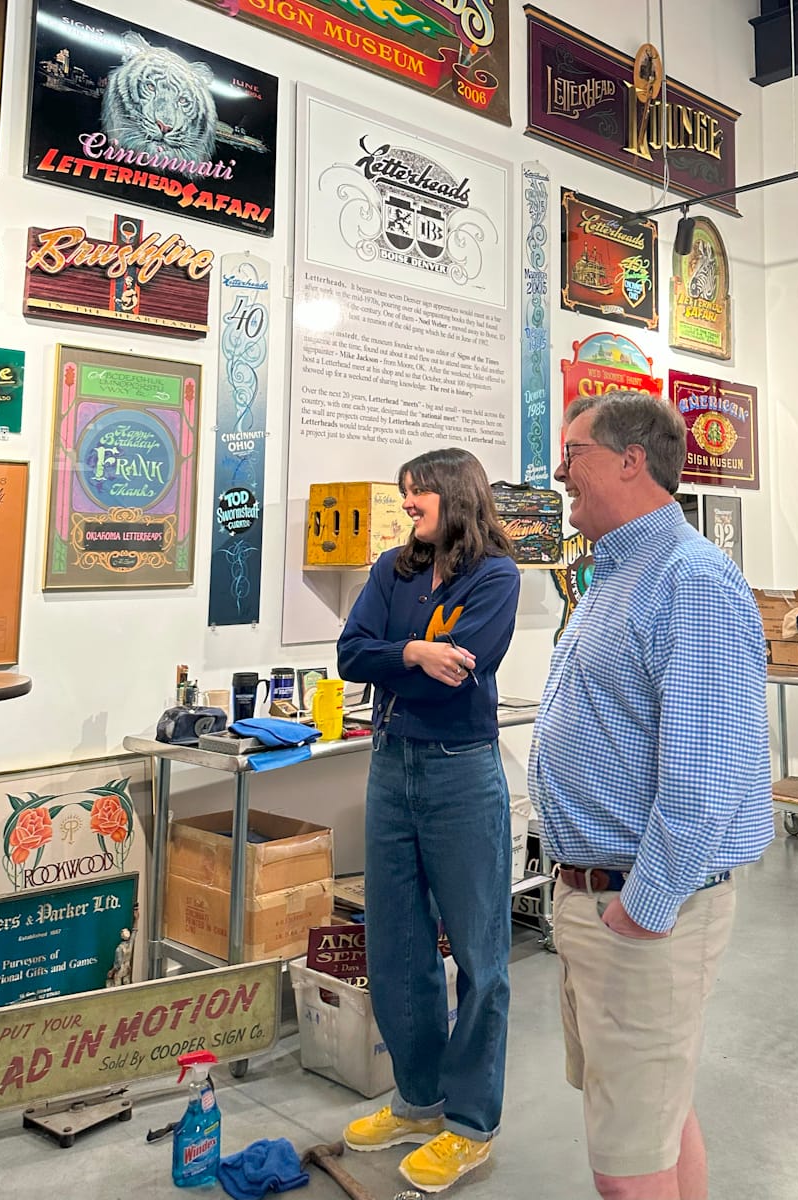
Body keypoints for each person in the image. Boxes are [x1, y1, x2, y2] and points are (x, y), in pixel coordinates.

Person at [528, 391, 773, 1200]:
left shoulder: (691, 579)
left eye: (575, 454)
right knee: (657, 1115)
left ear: (632, 460)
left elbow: (705, 777)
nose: (560, 473)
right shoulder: (616, 571)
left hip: (637, 915)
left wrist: (644, 906)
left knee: (627, 1170)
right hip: (598, 900)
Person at [337, 446, 520, 1194]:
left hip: (461, 770)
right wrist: (412, 650)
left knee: (480, 953)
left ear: (454, 493)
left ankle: (471, 1125)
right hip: (391, 766)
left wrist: (400, 659)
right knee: (398, 943)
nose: (407, 509)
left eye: (418, 498)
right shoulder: (393, 570)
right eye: (404, 499)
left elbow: (465, 669)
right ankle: (417, 1101)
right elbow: (352, 654)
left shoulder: (497, 576)